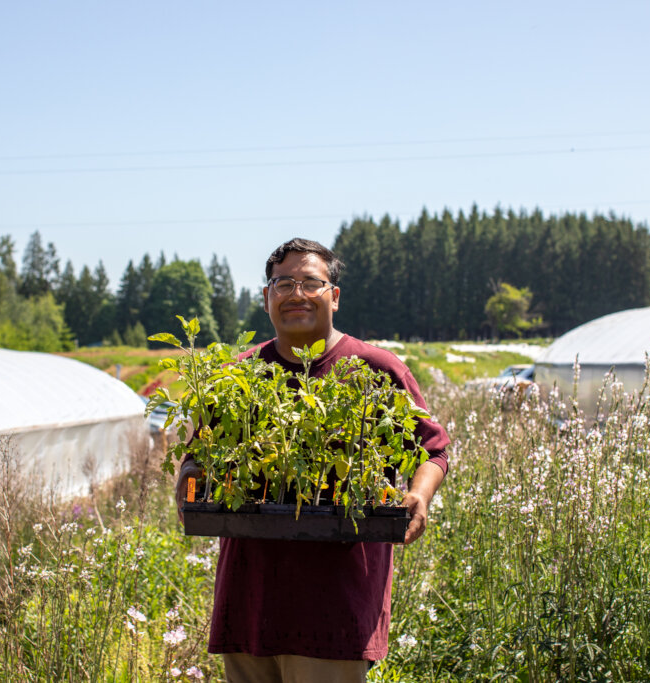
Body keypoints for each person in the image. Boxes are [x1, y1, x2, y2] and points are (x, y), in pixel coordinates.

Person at [176, 238, 450, 683]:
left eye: (310, 283)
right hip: (248, 602)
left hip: (334, 608)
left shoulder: (375, 369)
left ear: (334, 296)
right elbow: (199, 456)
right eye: (283, 284)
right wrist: (189, 476)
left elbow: (432, 449)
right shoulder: (241, 374)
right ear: (267, 297)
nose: (296, 294)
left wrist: (419, 494)